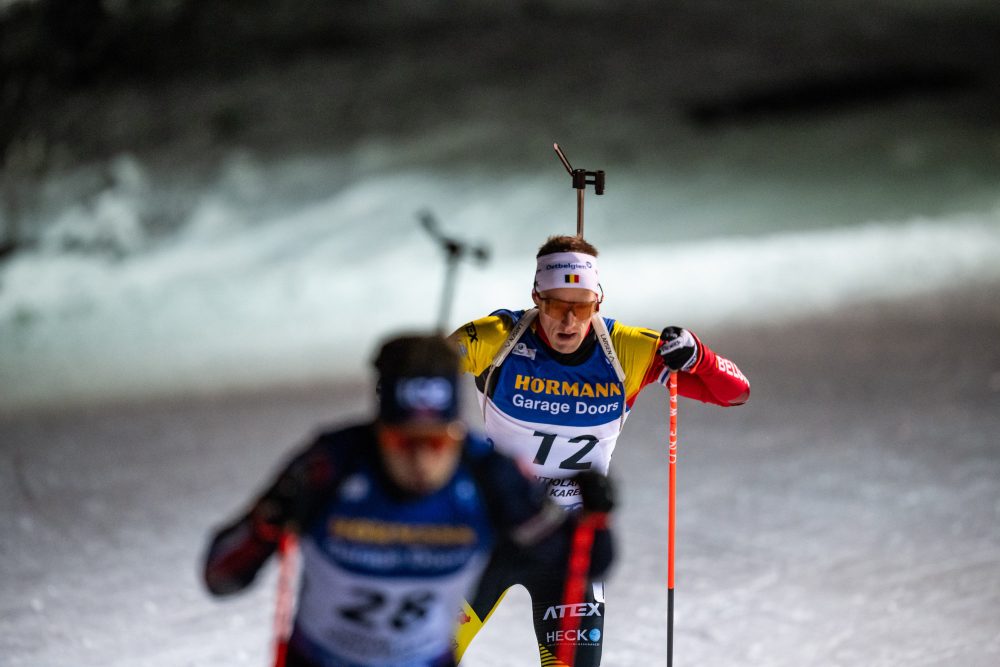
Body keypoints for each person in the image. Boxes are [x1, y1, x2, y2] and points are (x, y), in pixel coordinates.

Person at [201, 333, 616, 667]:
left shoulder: (487, 472)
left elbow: (583, 561)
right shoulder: (330, 463)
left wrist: (595, 518)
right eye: (403, 442)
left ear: (456, 429)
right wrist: (268, 521)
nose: (421, 460)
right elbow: (220, 576)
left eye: (437, 442)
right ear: (378, 430)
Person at [450, 235, 750, 666]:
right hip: (491, 530)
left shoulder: (624, 350)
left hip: (570, 539)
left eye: (583, 306)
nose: (569, 321)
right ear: (536, 297)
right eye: (556, 306)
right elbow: (422, 372)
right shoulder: (499, 337)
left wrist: (698, 355)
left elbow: (735, 392)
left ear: (599, 301)